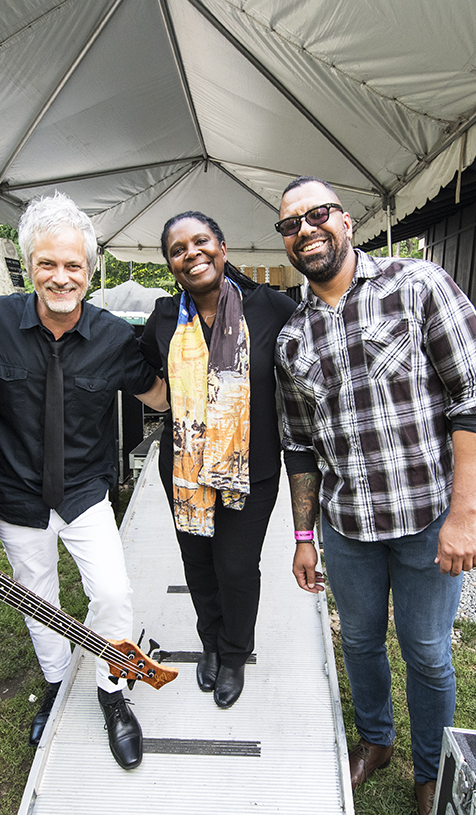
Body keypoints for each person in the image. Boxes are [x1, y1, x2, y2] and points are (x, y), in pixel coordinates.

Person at [274, 176, 476, 815]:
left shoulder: (418, 284)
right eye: (290, 224)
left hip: (428, 519)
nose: (305, 229)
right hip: (346, 528)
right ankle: (375, 741)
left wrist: (466, 514)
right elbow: (300, 446)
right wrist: (305, 536)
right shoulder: (292, 337)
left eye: (317, 214)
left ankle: (431, 777)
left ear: (345, 219)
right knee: (362, 642)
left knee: (427, 652)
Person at [0, 193, 167, 770]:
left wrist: (184, 342)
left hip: (85, 490)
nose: (61, 278)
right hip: (14, 493)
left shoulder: (113, 336)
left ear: (90, 270)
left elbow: (160, 396)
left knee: (111, 593)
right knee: (38, 599)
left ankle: (113, 691)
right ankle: (59, 683)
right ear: (28, 265)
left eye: (73, 266)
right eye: (47, 264)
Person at [139, 212, 298, 708]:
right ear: (170, 263)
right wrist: (163, 399)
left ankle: (234, 654)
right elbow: (137, 365)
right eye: (178, 249)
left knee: (235, 566)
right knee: (198, 563)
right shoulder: (165, 317)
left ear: (223, 247)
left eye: (201, 241)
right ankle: (209, 638)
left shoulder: (272, 307)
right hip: (185, 470)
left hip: (253, 469)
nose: (192, 253)